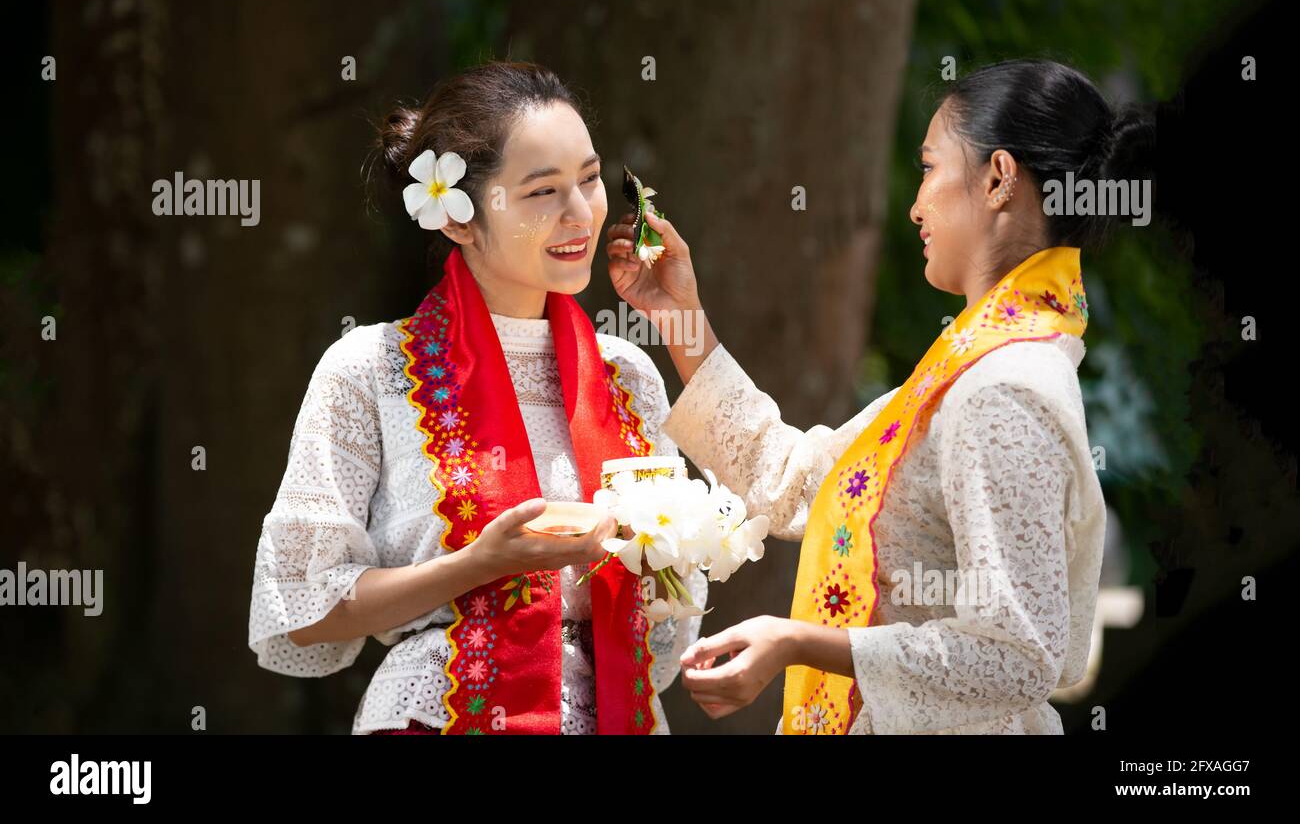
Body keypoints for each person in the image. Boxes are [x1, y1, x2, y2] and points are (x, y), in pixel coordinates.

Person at [605, 59, 1154, 734]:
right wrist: (679, 316)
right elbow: (795, 480)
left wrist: (799, 642)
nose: (915, 204)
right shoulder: (967, 372)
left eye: (928, 168)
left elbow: (1016, 653)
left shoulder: (1005, 390)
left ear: (998, 178)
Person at [248, 61, 705, 735]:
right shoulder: (372, 370)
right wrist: (476, 565)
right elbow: (303, 604)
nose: (581, 212)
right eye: (543, 191)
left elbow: (668, 623)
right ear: (459, 221)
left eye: (588, 177)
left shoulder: (627, 375)